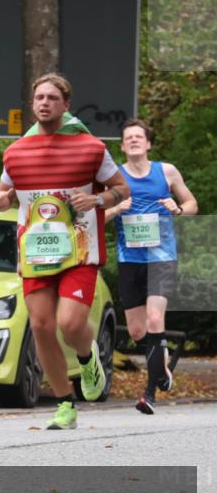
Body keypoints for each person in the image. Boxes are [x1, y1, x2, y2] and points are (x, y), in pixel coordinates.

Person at [0, 73, 130, 430]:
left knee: (70, 323)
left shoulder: (91, 148)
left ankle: (87, 358)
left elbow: (122, 189)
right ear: (32, 103)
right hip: (36, 252)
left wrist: (97, 198)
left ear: (66, 105)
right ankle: (65, 403)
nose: (44, 103)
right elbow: (0, 192)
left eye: (52, 97)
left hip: (80, 250)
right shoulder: (16, 151)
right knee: (40, 325)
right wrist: (0, 199)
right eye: (39, 97)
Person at [105, 119, 198, 415]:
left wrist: (178, 209)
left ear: (148, 144)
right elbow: (99, 215)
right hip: (129, 260)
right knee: (136, 331)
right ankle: (164, 362)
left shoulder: (166, 171)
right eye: (128, 137)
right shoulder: (114, 177)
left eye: (138, 137)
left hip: (161, 258)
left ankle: (150, 394)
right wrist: (117, 208)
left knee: (156, 320)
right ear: (122, 145)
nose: (133, 141)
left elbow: (191, 203)